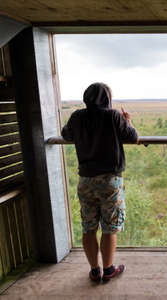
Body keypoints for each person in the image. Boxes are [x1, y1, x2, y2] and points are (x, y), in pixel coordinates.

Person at [62, 82, 138, 283]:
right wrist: (127, 121)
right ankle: (108, 269)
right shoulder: (113, 116)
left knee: (88, 227)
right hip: (109, 181)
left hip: (85, 180)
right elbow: (133, 137)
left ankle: (95, 271)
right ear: (107, 98)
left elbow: (65, 134)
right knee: (109, 228)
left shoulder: (77, 117)